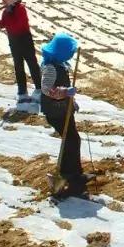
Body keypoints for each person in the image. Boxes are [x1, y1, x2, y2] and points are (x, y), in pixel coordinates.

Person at [40, 33, 86, 199]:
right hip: (55, 112)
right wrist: (65, 92)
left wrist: (71, 102)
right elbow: (47, 89)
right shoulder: (50, 68)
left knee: (72, 140)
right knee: (71, 140)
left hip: (64, 110)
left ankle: (74, 172)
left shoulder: (60, 64)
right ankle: (70, 173)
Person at [0, 0, 41, 113]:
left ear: (9, 0)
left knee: (32, 64)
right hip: (14, 41)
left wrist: (8, 15)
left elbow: (18, 25)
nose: (3, 3)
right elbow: (3, 25)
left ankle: (39, 88)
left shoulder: (20, 9)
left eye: (4, 1)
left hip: (24, 39)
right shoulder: (5, 11)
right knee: (18, 66)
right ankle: (22, 91)